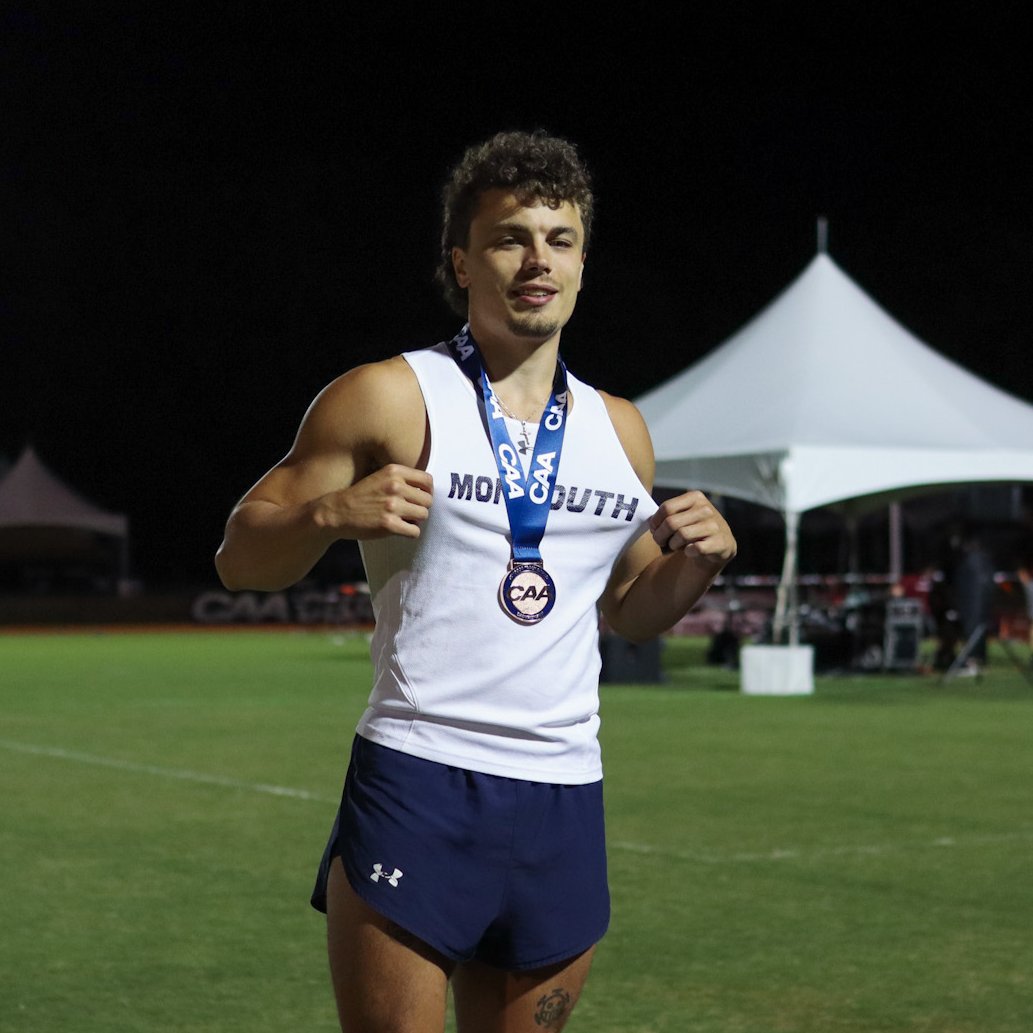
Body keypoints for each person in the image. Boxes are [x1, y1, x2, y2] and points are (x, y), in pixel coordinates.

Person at [215, 129, 736, 1033]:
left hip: (564, 792)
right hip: (421, 777)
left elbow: (628, 611)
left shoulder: (622, 429)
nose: (537, 259)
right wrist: (327, 517)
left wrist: (696, 566)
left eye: (559, 239)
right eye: (508, 238)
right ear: (461, 261)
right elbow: (241, 555)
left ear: (581, 263)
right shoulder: (390, 395)